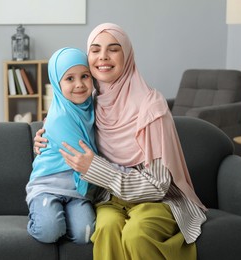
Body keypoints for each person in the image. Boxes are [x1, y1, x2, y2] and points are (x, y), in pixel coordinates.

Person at [34, 23, 207, 259]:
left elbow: (158, 185)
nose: (103, 56)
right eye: (95, 50)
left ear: (126, 55)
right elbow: (64, 115)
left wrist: (94, 168)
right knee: (105, 228)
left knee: (137, 234)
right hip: (110, 199)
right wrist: (44, 136)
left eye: (113, 49)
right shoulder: (92, 101)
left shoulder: (151, 107)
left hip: (157, 199)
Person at [26, 47, 98, 244]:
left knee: (85, 234)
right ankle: (42, 215)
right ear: (57, 84)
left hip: (76, 191)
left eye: (85, 76)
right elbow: (86, 156)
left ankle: (60, 218)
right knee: (49, 230)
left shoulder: (93, 108)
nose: (79, 84)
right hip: (49, 185)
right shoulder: (58, 118)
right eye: (69, 79)